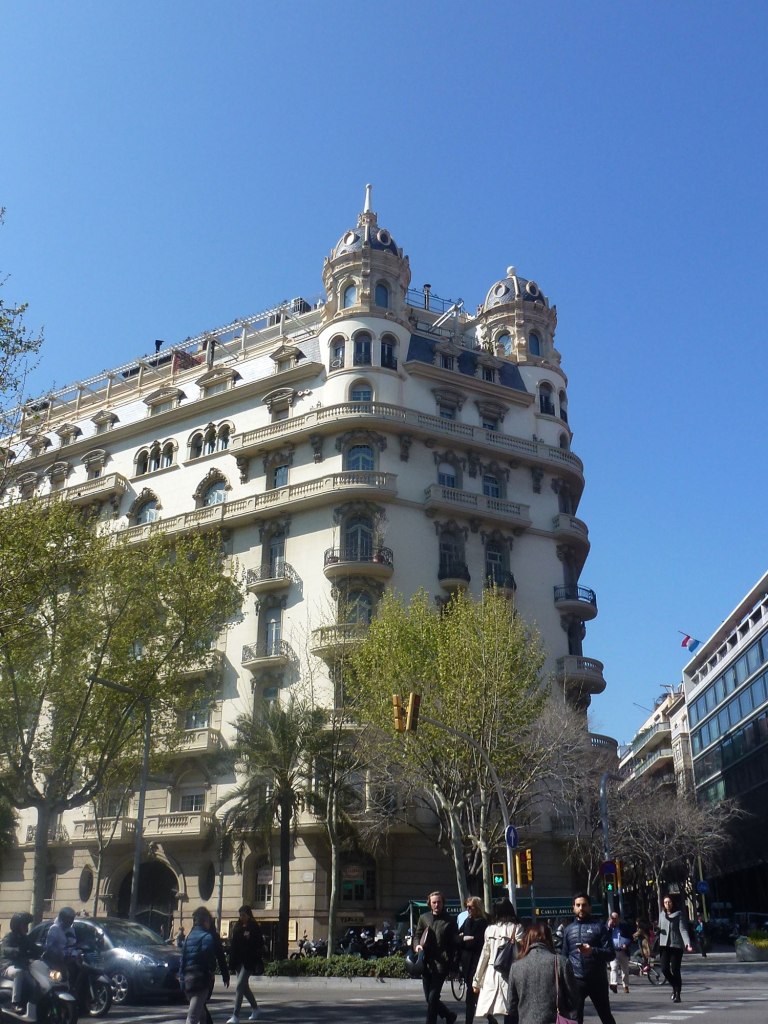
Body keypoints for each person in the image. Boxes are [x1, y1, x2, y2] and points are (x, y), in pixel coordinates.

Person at [507, 921, 578, 1024]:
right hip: (555, 1020)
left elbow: (511, 1006)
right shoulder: (560, 962)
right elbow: (573, 997)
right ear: (549, 939)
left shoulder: (516, 967)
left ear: (527, 940)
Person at [561, 893, 616, 1024]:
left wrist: (592, 951)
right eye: (578, 905)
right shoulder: (568, 930)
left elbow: (611, 953)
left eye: (584, 905)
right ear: (573, 907)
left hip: (597, 979)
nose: (581, 908)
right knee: (575, 1018)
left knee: (605, 1015)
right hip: (576, 980)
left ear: (590, 907)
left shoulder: (599, 927)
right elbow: (564, 957)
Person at [472, 897, 524, 1024]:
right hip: (511, 971)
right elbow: (523, 952)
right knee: (511, 1009)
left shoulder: (490, 929)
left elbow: (484, 956)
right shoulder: (517, 928)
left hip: (492, 971)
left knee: (491, 1007)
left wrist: (477, 980)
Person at [413, 890, 459, 1024]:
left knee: (433, 998)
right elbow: (417, 935)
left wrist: (454, 967)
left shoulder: (450, 920)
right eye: (434, 902)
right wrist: (417, 946)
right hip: (426, 963)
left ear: (443, 903)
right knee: (429, 998)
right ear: (429, 903)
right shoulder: (424, 918)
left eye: (439, 902)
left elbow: (454, 945)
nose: (437, 905)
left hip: (442, 964)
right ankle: (449, 1015)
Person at [181, 906, 230, 1024]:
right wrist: (215, 972)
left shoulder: (188, 937)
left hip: (188, 978)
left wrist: (182, 979)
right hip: (201, 978)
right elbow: (214, 957)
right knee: (193, 1017)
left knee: (201, 1012)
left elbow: (183, 959)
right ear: (206, 921)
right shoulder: (209, 936)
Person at [226, 905, 265, 1023]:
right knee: (244, 987)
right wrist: (231, 962)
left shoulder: (254, 927)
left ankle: (235, 1015)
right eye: (240, 915)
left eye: (244, 915)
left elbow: (259, 943)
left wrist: (249, 938)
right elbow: (234, 944)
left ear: (248, 915)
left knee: (239, 986)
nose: (242, 917)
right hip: (238, 961)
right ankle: (255, 1008)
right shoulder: (237, 927)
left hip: (249, 961)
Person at [657, 894, 693, 1003]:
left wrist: (688, 944)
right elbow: (659, 927)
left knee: (675, 970)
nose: (667, 904)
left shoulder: (679, 914)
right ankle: (674, 986)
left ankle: (677, 994)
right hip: (664, 945)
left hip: (676, 946)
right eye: (665, 902)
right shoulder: (662, 915)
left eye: (669, 902)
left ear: (673, 903)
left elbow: (683, 930)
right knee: (664, 969)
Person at [457, 897, 488, 1024]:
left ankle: (469, 1020)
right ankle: (489, 1017)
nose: (468, 909)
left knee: (471, 993)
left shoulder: (483, 922)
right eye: (467, 907)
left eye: (470, 907)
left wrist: (464, 938)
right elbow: (457, 937)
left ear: (477, 908)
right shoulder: (467, 920)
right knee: (474, 993)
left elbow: (477, 942)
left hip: (477, 961)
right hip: (466, 962)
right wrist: (463, 939)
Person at [0, 912, 37, 1017]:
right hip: (8, 966)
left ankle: (34, 1006)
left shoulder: (25, 938)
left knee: (35, 982)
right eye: (24, 924)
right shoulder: (9, 936)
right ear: (17, 925)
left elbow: (34, 947)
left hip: (23, 966)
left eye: (26, 924)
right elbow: (4, 949)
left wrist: (45, 950)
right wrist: (14, 951)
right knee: (19, 973)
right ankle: (15, 1004)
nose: (26, 927)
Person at [606, 910, 633, 994]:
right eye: (612, 918)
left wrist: (626, 944)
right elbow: (604, 936)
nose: (614, 920)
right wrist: (608, 927)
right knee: (614, 967)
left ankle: (626, 986)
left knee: (625, 969)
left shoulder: (624, 926)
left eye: (616, 918)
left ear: (618, 918)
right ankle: (614, 984)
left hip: (623, 951)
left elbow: (630, 938)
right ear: (610, 918)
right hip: (614, 950)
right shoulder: (608, 928)